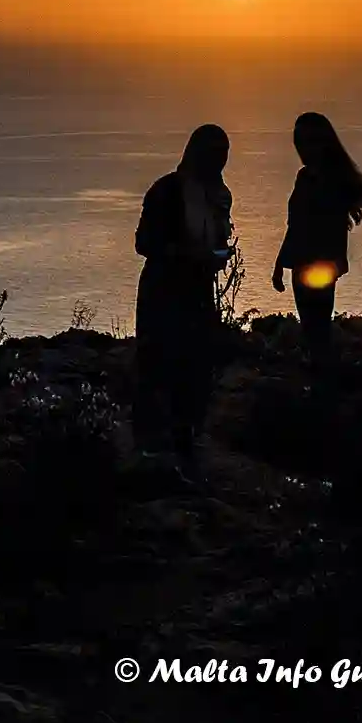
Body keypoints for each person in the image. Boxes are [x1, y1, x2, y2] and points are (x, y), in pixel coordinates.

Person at [133, 124, 233, 483]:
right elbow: (144, 242)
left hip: (198, 289)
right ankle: (150, 443)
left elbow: (218, 235)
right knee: (158, 360)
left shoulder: (218, 195)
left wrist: (217, 255)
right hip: (164, 288)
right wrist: (187, 254)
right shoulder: (166, 190)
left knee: (196, 362)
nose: (220, 159)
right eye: (214, 152)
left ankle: (186, 436)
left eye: (224, 153)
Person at [271, 112, 362, 368]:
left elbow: (333, 227)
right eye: (298, 141)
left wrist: (335, 263)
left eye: (307, 141)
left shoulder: (331, 180)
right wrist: (281, 263)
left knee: (318, 328)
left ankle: (324, 384)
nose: (301, 148)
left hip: (321, 265)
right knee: (312, 329)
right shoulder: (304, 177)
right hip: (301, 263)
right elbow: (295, 224)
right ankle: (320, 380)